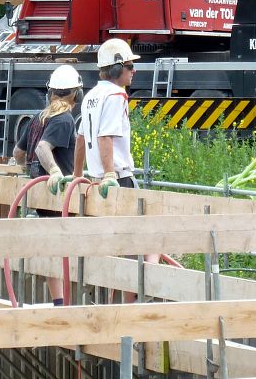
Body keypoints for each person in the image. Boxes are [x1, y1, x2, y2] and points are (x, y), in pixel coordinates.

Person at [74, 38, 158, 300]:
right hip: (118, 181)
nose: (134, 72)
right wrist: (110, 172)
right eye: (131, 66)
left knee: (116, 250)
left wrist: (77, 175)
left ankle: (114, 309)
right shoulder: (115, 95)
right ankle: (134, 307)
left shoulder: (91, 95)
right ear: (118, 68)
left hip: (97, 182)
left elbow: (81, 138)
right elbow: (105, 137)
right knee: (143, 245)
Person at [13, 64, 83, 305]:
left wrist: (30, 170)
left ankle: (60, 302)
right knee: (64, 249)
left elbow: (18, 153)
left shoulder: (38, 118)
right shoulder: (64, 119)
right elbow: (43, 147)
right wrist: (53, 170)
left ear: (50, 92)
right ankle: (65, 305)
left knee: (53, 249)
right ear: (77, 93)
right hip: (58, 197)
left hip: (44, 199)